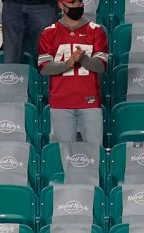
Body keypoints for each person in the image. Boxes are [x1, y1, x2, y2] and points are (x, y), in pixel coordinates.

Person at [37, 0, 109, 144]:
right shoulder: (49, 32)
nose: (77, 6)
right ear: (61, 5)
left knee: (94, 155)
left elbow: (101, 66)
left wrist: (83, 59)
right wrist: (68, 63)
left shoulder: (96, 30)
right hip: (61, 103)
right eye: (72, 3)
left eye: (79, 2)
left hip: (90, 102)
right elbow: (44, 68)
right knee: (65, 155)